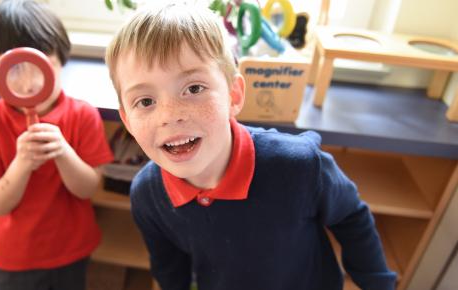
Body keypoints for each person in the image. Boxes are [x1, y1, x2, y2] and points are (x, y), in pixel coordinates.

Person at [105, 3, 396, 290]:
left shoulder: (300, 166)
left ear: (233, 95)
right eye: (145, 101)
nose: (170, 115)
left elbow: (351, 217)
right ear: (127, 121)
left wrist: (377, 284)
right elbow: (170, 268)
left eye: (193, 89)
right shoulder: (147, 195)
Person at [0, 1, 113, 289]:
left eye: (40, 64)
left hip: (72, 248)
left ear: (61, 58)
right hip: (15, 256)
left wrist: (63, 152)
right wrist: (22, 163)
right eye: (14, 69)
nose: (29, 83)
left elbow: (89, 189)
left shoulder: (83, 115)